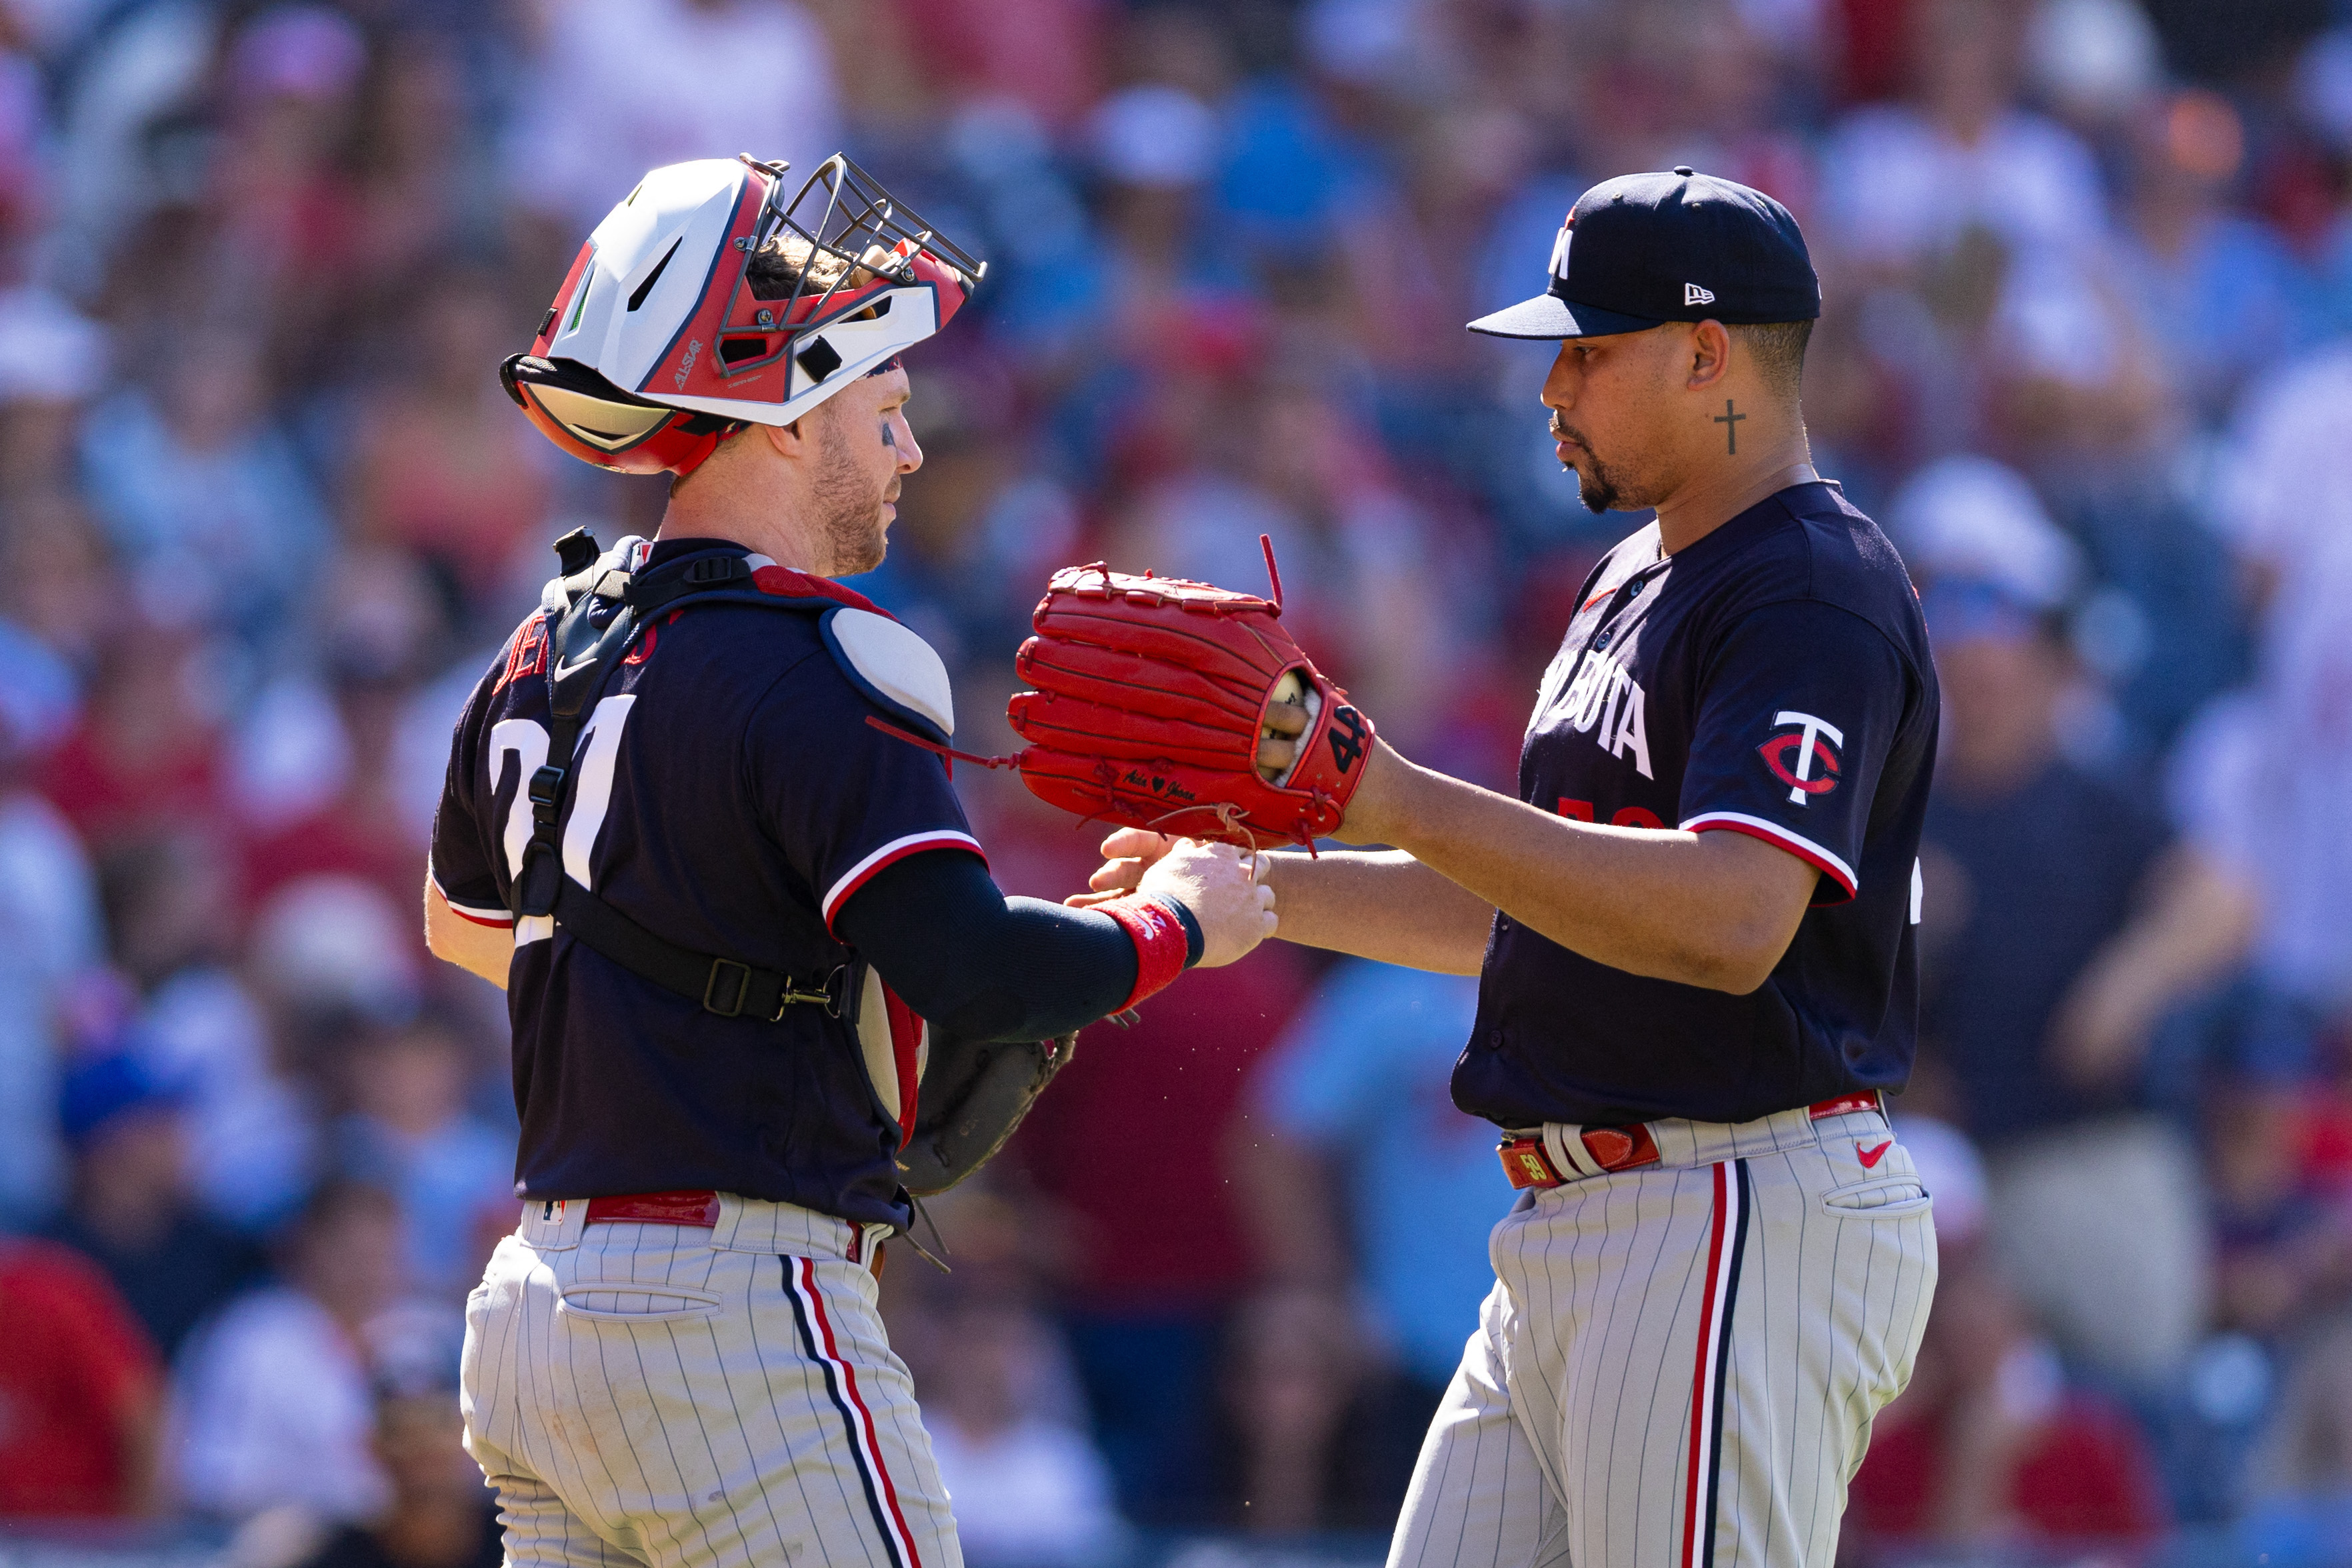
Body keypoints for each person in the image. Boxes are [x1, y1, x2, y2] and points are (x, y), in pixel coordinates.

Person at [424, 155, 1277, 1568]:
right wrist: (1177, 921)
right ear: (781, 415)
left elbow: (472, 932)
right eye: (885, 410)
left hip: (535, 1308)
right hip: (729, 1314)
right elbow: (977, 971)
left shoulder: (537, 649)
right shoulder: (835, 656)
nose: (912, 451)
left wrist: (714, 974)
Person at [1090, 168, 1941, 1567]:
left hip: (1728, 1205)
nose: (1552, 386)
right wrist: (1264, 887)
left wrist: (1395, 794)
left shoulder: (1806, 585)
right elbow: (1539, 911)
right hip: (1587, 1225)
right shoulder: (1630, 579)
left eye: (1589, 350)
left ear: (1708, 353)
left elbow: (1735, 918)